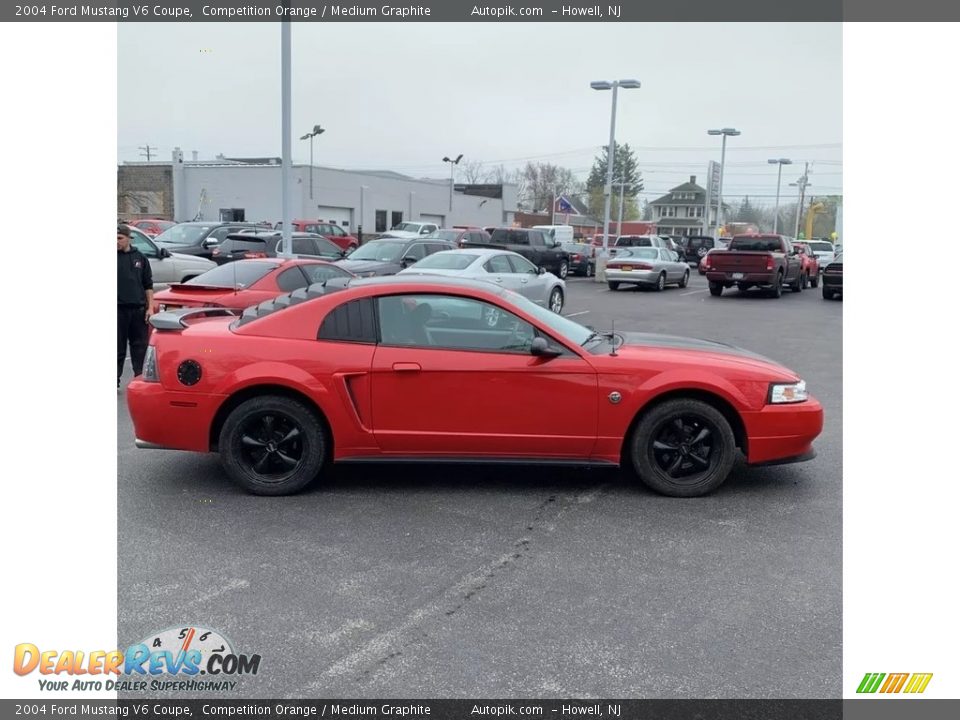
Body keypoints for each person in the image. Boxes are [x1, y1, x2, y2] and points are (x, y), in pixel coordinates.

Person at [117, 224, 154, 388]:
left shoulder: (140, 258)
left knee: (140, 347)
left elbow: (148, 285)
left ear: (128, 238)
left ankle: (139, 378)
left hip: (138, 309)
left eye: (119, 238)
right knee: (117, 347)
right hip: (118, 309)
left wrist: (150, 307)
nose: (116, 242)